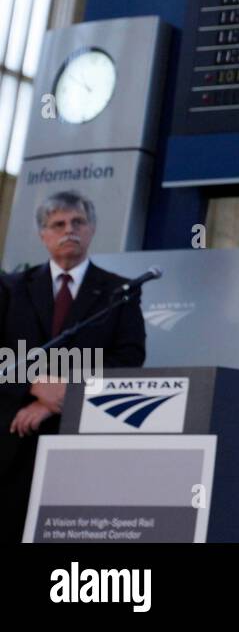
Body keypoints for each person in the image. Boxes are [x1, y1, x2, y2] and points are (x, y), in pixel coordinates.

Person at [0, 191, 146, 541]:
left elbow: (128, 359)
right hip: (12, 442)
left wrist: (63, 394)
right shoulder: (10, 288)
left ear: (92, 229)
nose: (70, 230)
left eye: (78, 222)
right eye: (58, 224)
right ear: (43, 235)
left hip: (83, 438)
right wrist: (35, 387)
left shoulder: (119, 292)